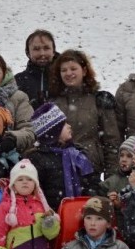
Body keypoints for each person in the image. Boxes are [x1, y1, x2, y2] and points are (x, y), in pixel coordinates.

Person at [49, 49, 120, 178]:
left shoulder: (98, 100)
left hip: (90, 168)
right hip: (60, 170)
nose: (68, 73)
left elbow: (111, 141)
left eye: (73, 69)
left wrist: (111, 177)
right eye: (63, 70)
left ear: (84, 71)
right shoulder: (53, 103)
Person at [24, 102, 102, 209]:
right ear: (54, 131)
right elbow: (36, 192)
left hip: (83, 213)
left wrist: (93, 200)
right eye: (64, 124)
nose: (69, 126)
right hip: (51, 215)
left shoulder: (78, 153)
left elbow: (92, 181)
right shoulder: (37, 158)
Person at [15, 29, 57, 109]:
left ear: (53, 51)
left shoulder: (64, 77)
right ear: (28, 53)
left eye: (46, 48)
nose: (42, 53)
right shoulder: (18, 80)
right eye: (36, 49)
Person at [104, 136, 135, 230]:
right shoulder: (111, 181)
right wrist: (108, 201)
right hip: (115, 228)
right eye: (121, 155)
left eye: (129, 156)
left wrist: (122, 204)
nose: (124, 159)